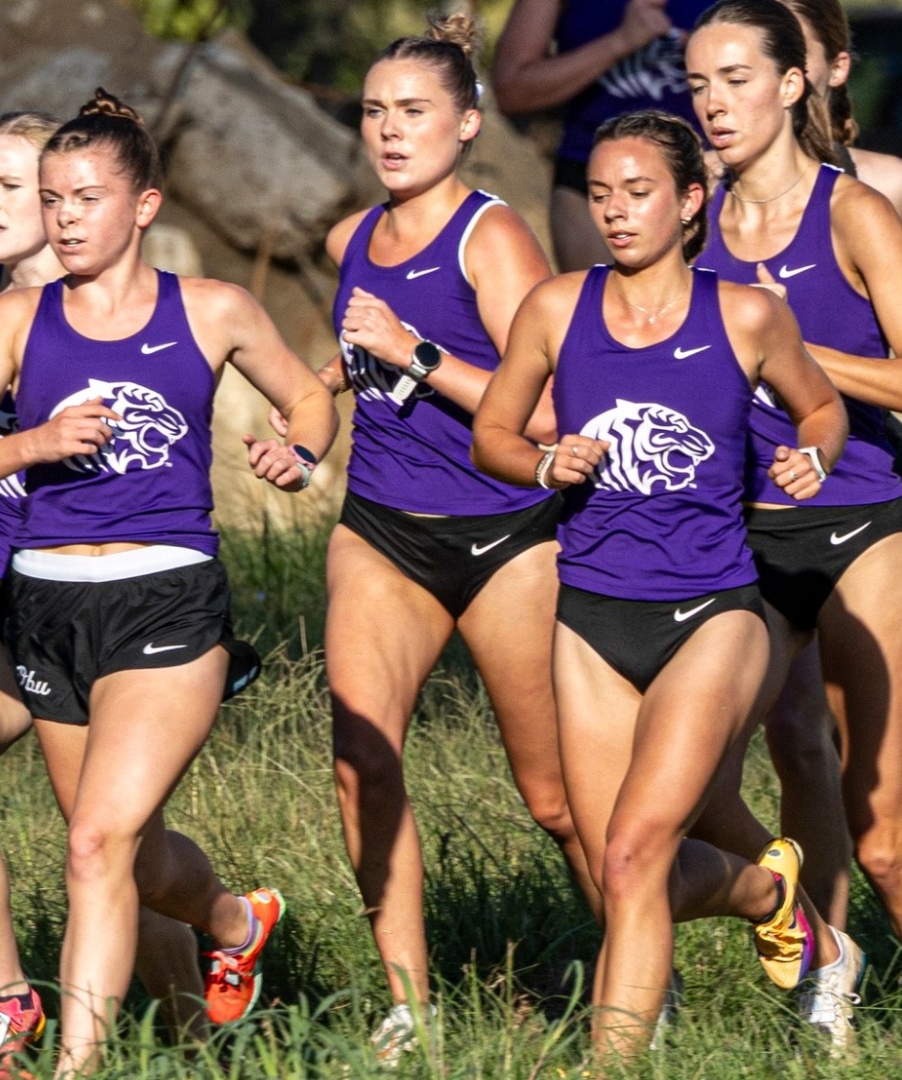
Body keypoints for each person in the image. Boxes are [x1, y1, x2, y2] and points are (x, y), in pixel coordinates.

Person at [0, 90, 339, 1071]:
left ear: (144, 206)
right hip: (45, 613)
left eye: (85, 199)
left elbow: (309, 394)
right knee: (132, 855)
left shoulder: (213, 309)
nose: (63, 218)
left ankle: (79, 1065)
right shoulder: (16, 319)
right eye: (53, 200)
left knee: (93, 848)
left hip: (167, 603)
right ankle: (236, 923)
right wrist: (33, 439)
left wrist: (301, 453)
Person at [471, 109, 849, 1058]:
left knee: (639, 852)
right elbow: (493, 435)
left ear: (690, 202)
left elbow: (823, 405)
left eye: (637, 193)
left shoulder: (747, 314)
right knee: (619, 869)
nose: (615, 212)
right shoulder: (557, 308)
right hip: (592, 616)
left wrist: (813, 454)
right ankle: (783, 906)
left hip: (713, 615)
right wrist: (543, 461)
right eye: (600, 195)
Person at [682, 0, 902, 1037]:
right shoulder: (695, 216)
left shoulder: (853, 213)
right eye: (699, 84)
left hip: (859, 527)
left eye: (737, 80)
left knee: (885, 834)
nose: (714, 104)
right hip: (741, 534)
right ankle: (824, 957)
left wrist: (786, 343)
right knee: (698, 793)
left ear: (795, 84)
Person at [316, 15, 596, 1065]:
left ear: (467, 124)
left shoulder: (494, 239)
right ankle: (409, 1007)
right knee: (360, 758)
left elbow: (550, 412)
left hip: (507, 537)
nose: (390, 132)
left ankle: (633, 978)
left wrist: (417, 350)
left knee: (556, 799)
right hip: (383, 531)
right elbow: (340, 366)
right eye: (376, 112)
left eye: (415, 113)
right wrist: (303, 425)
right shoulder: (352, 239)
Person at [0, 110, 201, 1075]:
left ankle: (203, 1031)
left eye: (10, 186)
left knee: (112, 851)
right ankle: (12, 1001)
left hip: (105, 596)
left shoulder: (123, 308)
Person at [753, 0, 902, 947]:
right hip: (751, 514)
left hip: (864, 496)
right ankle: (826, 970)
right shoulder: (713, 203)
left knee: (875, 802)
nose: (775, 82)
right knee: (796, 751)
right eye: (721, 75)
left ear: (829, 68)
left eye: (787, 60)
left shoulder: (885, 189)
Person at [493, 0, 716, 271]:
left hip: (712, 174)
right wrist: (622, 41)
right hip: (590, 180)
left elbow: (773, 67)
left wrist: (714, 54)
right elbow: (511, 89)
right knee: (602, 310)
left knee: (717, 308)